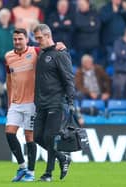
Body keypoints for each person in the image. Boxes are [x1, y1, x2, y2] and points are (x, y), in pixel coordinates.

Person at [33, 24, 74, 182]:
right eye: (36, 38)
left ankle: (48, 174)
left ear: (48, 35)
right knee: (37, 137)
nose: (37, 41)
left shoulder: (60, 54)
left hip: (56, 102)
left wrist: (70, 101)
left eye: (39, 38)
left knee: (50, 137)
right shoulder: (42, 53)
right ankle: (62, 157)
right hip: (41, 103)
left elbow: (68, 79)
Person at [4, 28, 38, 182]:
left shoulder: (35, 52)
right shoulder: (8, 56)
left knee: (29, 137)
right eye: (15, 39)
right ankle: (22, 166)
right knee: (9, 133)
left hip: (31, 103)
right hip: (15, 103)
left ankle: (31, 172)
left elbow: (49, 46)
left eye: (20, 39)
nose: (17, 42)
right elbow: (9, 80)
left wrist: (59, 45)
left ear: (27, 39)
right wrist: (9, 102)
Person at [100, 0, 126, 64]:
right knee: (111, 61)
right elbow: (103, 20)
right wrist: (113, 12)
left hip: (122, 42)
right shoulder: (105, 8)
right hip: (109, 42)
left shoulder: (123, 8)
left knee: (123, 62)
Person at [73, 0, 101, 65]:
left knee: (94, 66)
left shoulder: (95, 13)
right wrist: (90, 25)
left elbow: (97, 26)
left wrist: (83, 26)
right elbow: (77, 25)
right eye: (79, 5)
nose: (81, 6)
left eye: (82, 4)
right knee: (81, 67)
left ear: (88, 4)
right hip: (81, 46)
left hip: (93, 46)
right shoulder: (76, 15)